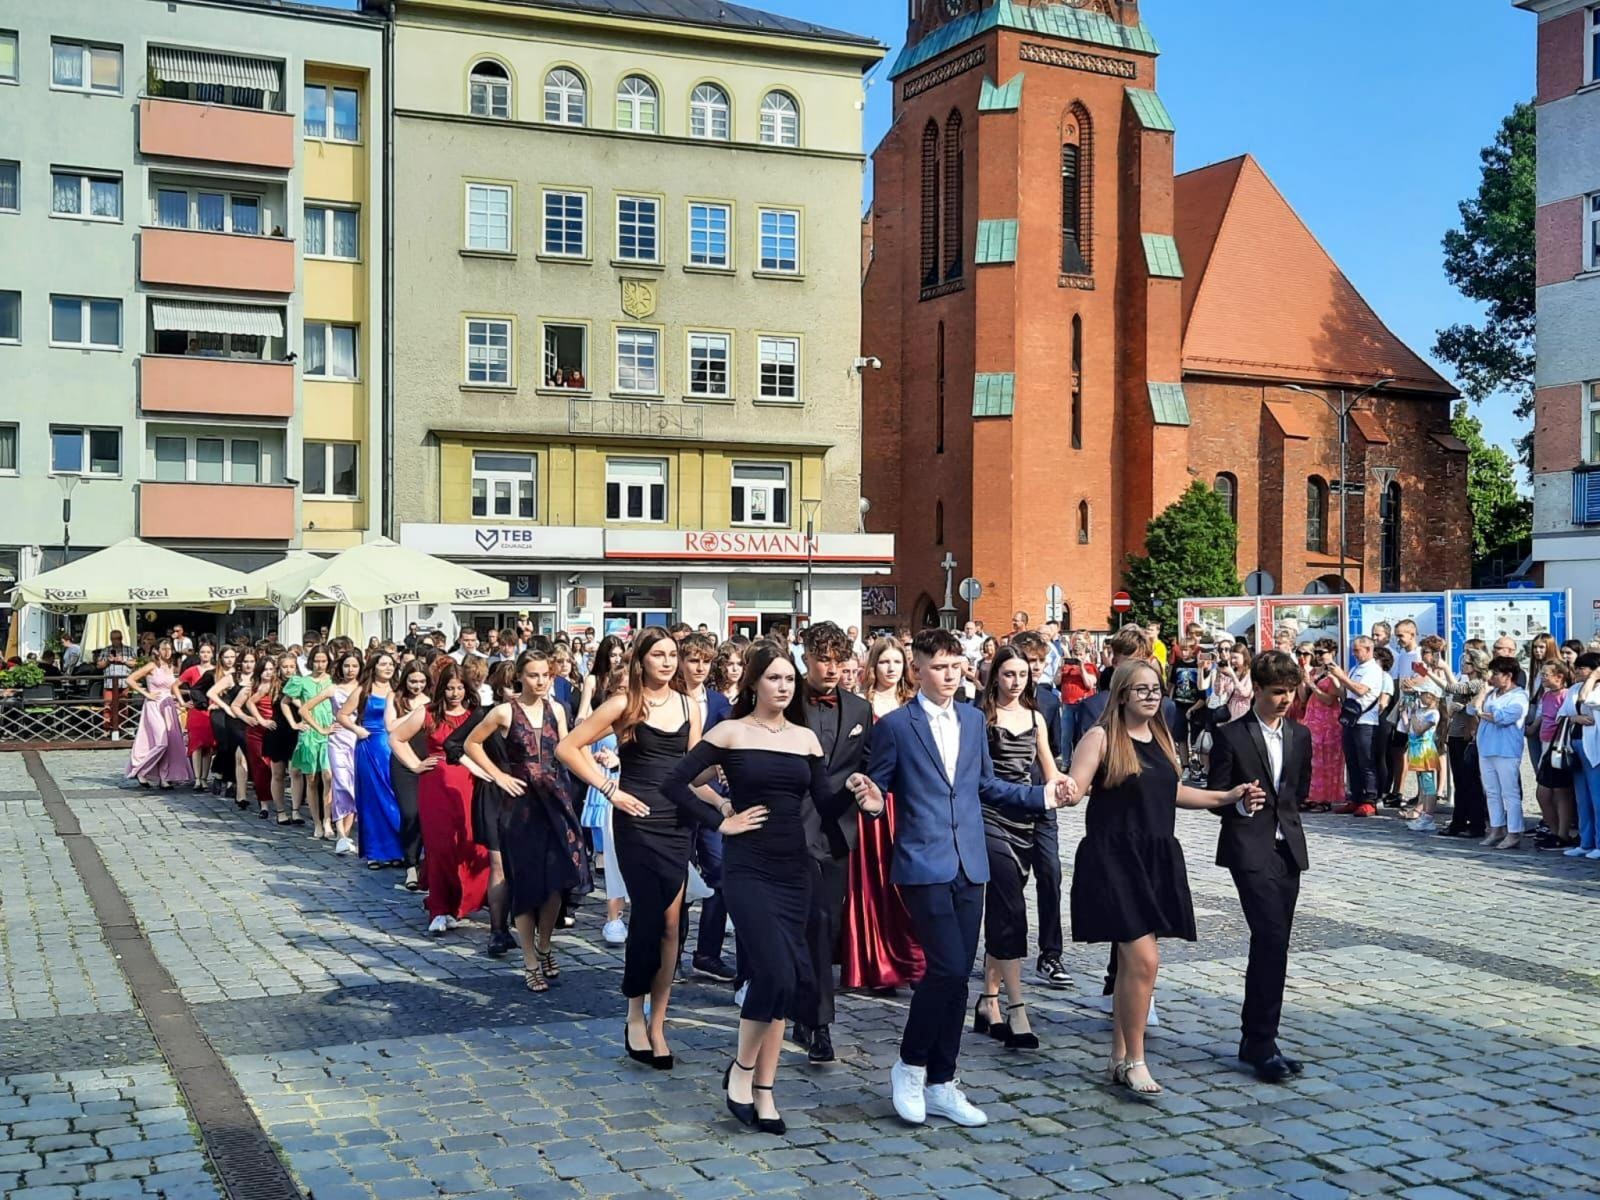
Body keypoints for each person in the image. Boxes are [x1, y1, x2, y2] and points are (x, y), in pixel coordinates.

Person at [851, 628, 1076, 1128]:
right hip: (922, 863)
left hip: (970, 863)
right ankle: (909, 1065)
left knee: (955, 977)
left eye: (956, 666)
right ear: (918, 671)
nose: (949, 676)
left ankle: (942, 1081)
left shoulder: (974, 720)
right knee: (948, 967)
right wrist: (871, 801)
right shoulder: (897, 726)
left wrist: (1044, 795)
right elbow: (879, 787)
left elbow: (987, 786)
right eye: (939, 667)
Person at [663, 641, 864, 1134]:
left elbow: (825, 804)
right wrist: (719, 819)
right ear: (753, 682)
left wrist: (860, 794)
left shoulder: (804, 739)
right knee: (772, 971)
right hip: (748, 867)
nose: (783, 686)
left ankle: (765, 1090)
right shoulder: (730, 731)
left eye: (789, 679)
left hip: (796, 868)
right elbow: (673, 783)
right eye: (774, 677)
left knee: (788, 979)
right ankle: (742, 1069)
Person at [1065, 659, 1262, 1099]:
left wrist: (1226, 797)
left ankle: (1119, 1057)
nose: (1152, 696)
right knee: (1144, 960)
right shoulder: (1101, 737)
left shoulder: (1161, 736)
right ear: (1122, 694)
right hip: (1113, 858)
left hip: (1154, 857)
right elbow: (1077, 788)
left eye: (1156, 689)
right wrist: (1062, 788)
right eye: (1142, 689)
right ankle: (1136, 1059)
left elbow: (1169, 792)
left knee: (1132, 963)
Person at [557, 628, 699, 1067]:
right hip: (637, 819)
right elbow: (568, 747)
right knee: (649, 917)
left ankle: (659, 1023)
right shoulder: (624, 703)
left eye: (672, 654)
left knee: (673, 924)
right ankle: (634, 1013)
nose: (668, 662)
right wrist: (609, 789)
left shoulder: (690, 705)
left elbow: (694, 771)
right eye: (658, 654)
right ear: (640, 660)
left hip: (677, 821)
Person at [1207, 651, 1311, 1082]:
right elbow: (1216, 795)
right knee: (1269, 936)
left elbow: (1298, 791)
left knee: (1277, 944)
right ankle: (1261, 1043)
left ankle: (1260, 1039)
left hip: (1288, 849)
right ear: (1258, 690)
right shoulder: (1231, 735)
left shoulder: (1300, 735)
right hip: (1249, 847)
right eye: (1277, 692)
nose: (1286, 700)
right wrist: (1240, 802)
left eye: (1291, 692)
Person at [466, 651, 589, 985]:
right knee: (524, 883)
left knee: (556, 881)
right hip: (519, 807)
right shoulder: (504, 711)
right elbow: (472, 743)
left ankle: (544, 944)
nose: (540, 681)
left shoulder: (557, 710)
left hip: (555, 801)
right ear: (519, 676)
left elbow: (567, 750)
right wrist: (498, 776)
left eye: (545, 675)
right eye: (533, 675)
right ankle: (529, 960)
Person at [789, 622, 873, 1066]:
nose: (832, 668)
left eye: (839, 660)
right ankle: (816, 1021)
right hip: (791, 827)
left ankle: (808, 1011)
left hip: (838, 829)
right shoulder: (787, 700)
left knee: (827, 925)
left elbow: (869, 764)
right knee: (810, 922)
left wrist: (868, 793)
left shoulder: (859, 709)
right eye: (823, 659)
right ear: (806, 657)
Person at [973, 645, 1062, 1050]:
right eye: (1008, 674)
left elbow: (1050, 770)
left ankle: (987, 1000)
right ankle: (1017, 1007)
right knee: (1011, 906)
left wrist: (1069, 785)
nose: (1015, 682)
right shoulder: (981, 718)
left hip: (1027, 817)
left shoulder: (1036, 717)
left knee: (1002, 909)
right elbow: (980, 778)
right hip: (990, 816)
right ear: (995, 675)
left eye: (1022, 675)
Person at [840, 636, 925, 992]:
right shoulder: (861, 706)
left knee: (908, 885)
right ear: (872, 666)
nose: (891, 668)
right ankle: (877, 965)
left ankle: (914, 960)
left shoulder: (914, 704)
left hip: (907, 803)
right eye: (885, 662)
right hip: (871, 806)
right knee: (874, 883)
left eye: (897, 662)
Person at [397, 661, 490, 937]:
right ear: (441, 689)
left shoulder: (475, 715)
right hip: (435, 785)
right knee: (439, 846)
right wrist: (415, 765)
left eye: (459, 688)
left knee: (469, 844)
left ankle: (461, 903)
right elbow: (396, 738)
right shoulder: (427, 713)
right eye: (450, 688)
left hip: (469, 784)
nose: (455, 693)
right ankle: (438, 908)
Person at [1008, 632, 1070, 990]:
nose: (1034, 669)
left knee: (1051, 873)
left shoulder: (1048, 700)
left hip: (1043, 800)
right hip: (1007, 803)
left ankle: (1051, 953)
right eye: (1028, 661)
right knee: (1009, 882)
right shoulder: (992, 702)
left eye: (1039, 662)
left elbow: (1055, 749)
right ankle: (1006, 952)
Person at [676, 633, 736, 983]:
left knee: (719, 874)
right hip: (677, 800)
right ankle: (672, 953)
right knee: (678, 879)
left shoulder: (718, 701)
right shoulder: (669, 699)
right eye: (693, 660)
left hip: (712, 797)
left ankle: (707, 953)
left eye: (705, 661)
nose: (699, 667)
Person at [338, 651, 406, 869]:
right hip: (369, 746)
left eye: (391, 664)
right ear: (373, 667)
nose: (388, 668)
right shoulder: (363, 690)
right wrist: (357, 729)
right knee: (371, 798)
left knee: (395, 796)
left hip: (394, 746)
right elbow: (342, 715)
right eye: (383, 664)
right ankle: (375, 852)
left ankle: (398, 850)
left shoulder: (399, 690)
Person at [1467, 657, 1530, 850]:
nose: (1491, 677)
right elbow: (1471, 709)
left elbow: (1504, 717)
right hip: (1486, 748)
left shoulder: (1519, 696)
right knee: (1492, 792)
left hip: (1506, 749)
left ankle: (1514, 831)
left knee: (1509, 792)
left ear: (1508, 676)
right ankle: (1497, 828)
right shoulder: (1491, 693)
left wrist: (1482, 713)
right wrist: (1482, 694)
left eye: (1495, 673)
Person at [385, 663, 433, 890]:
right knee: (410, 812)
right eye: (413, 681)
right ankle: (411, 866)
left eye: (422, 681)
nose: (417, 686)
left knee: (427, 814)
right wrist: (418, 713)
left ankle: (427, 863)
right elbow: (390, 726)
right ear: (405, 679)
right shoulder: (395, 698)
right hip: (403, 762)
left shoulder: (433, 699)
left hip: (428, 761)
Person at [125, 638, 193, 789]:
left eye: (169, 649)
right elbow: (130, 680)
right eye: (163, 649)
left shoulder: (171, 666)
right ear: (157, 650)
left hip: (168, 705)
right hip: (154, 705)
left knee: (170, 742)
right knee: (161, 742)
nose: (167, 652)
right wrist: (146, 693)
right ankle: (141, 770)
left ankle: (164, 777)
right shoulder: (151, 665)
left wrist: (185, 696)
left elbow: (171, 688)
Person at [1328, 637, 1385, 816]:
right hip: (1351, 720)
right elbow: (1346, 691)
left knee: (1366, 761)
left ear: (1368, 650)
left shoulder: (1374, 670)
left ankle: (1370, 799)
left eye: (1357, 650)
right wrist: (1336, 680)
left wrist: (1341, 676)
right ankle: (1356, 797)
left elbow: (1361, 690)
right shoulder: (1355, 669)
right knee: (1351, 760)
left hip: (1366, 722)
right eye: (1353, 650)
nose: (1354, 654)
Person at [1533, 661, 1576, 849]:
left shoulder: (1566, 695)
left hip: (1559, 746)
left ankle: (1563, 834)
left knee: (1560, 792)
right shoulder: (1547, 695)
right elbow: (1542, 717)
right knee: (1543, 794)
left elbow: (1567, 719)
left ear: (1559, 677)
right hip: (1546, 745)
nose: (1543, 678)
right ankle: (1554, 830)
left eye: (1546, 674)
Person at [1300, 639, 1344, 812]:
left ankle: (1324, 798)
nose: (1318, 656)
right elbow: (1303, 698)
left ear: (1332, 653)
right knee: (1311, 758)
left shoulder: (1334, 672)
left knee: (1325, 759)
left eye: (1322, 653)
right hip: (1312, 716)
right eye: (1316, 652)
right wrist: (1303, 681)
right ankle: (1310, 796)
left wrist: (1312, 685)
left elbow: (1330, 699)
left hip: (1328, 720)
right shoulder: (1313, 671)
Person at [1566, 654, 1600, 860]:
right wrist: (1575, 718)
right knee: (1582, 798)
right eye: (1577, 668)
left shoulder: (1596, 688)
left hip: (1594, 747)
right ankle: (1585, 842)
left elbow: (1587, 700)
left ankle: (1599, 843)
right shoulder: (1573, 688)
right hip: (1575, 745)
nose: (1577, 671)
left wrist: (1593, 678)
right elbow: (1563, 713)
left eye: (1583, 668)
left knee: (1597, 797)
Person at [178, 643, 218, 792]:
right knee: (196, 745)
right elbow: (175, 686)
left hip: (211, 710)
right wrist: (183, 702)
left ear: (212, 654)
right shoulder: (192, 670)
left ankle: (204, 779)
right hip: (196, 710)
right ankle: (197, 779)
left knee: (208, 746)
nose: (205, 655)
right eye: (202, 652)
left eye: (208, 652)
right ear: (199, 654)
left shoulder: (217, 670)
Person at [98, 630, 132, 738]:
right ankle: (107, 729)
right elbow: (99, 665)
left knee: (123, 707)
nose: (116, 641)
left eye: (118, 638)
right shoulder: (106, 650)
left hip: (123, 683)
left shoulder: (128, 650)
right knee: (108, 706)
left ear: (121, 638)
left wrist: (123, 660)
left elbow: (135, 663)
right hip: (109, 683)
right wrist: (108, 661)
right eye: (113, 639)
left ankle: (121, 728)